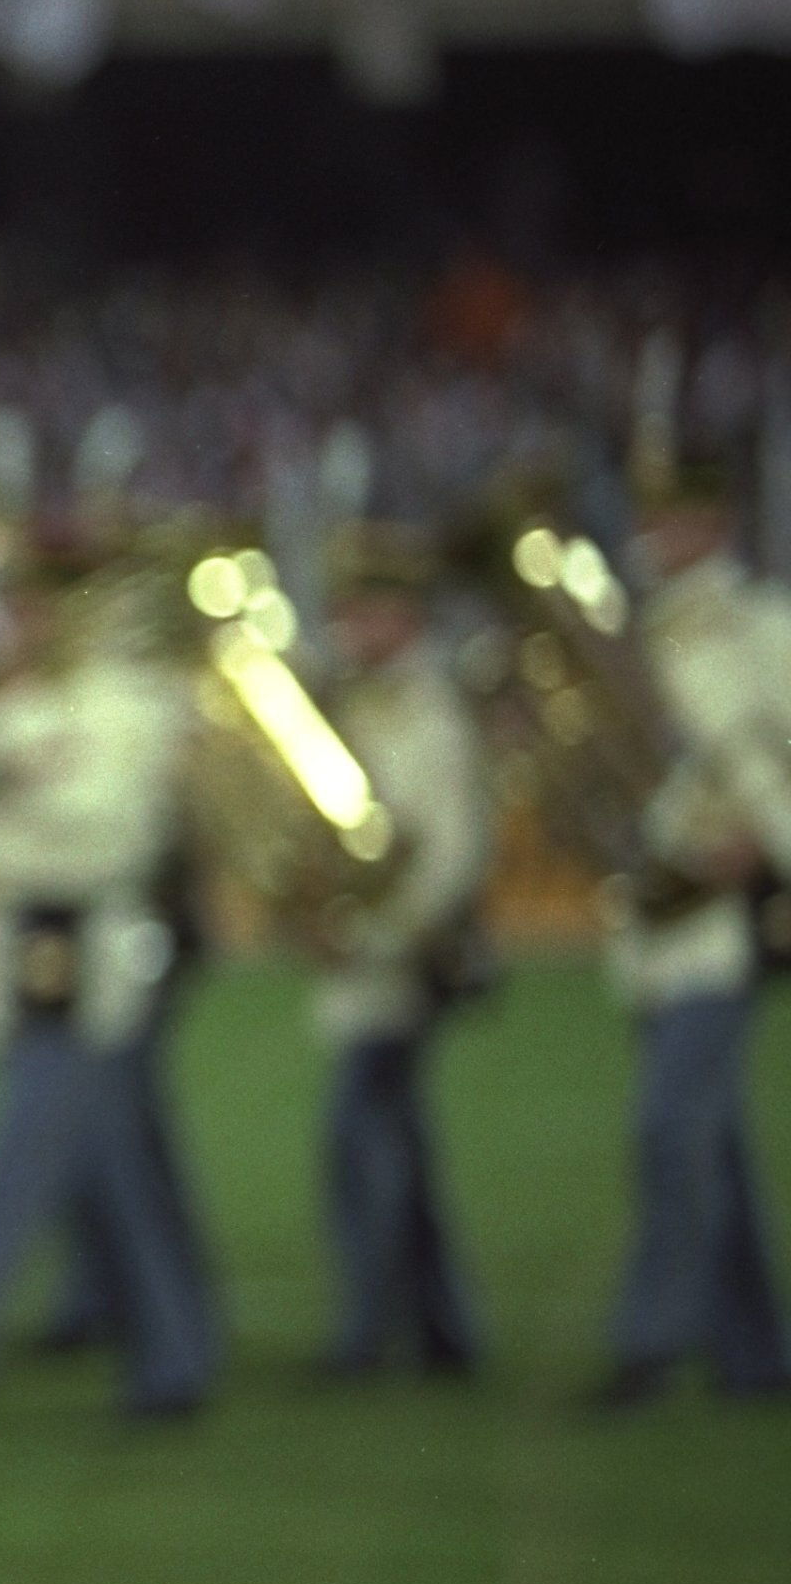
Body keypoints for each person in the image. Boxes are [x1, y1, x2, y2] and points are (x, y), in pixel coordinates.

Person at [0, 544, 214, 1424]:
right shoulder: (18, 703)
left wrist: (0, 821)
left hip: (87, 944)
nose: (19, 622)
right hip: (27, 940)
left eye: (38, 603)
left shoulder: (126, 702)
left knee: (21, 1160)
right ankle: (174, 1359)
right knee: (113, 1168)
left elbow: (116, 834)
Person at [596, 457, 791, 1406]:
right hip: (661, 919)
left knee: (672, 1128)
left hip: (726, 922)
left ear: (714, 522)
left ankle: (650, 1344)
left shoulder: (761, 630)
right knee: (712, 1142)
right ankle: (758, 1356)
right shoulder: (643, 638)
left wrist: (765, 840)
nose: (651, 535)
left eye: (671, 518)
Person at [308, 524, 493, 1379]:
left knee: (360, 1144)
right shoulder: (352, 700)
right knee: (399, 1149)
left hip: (405, 962)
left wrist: (373, 933)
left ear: (405, 615)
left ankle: (366, 1333)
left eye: (368, 609)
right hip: (371, 953)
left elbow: (451, 853)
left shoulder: (429, 711)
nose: (350, 625)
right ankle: (444, 1330)